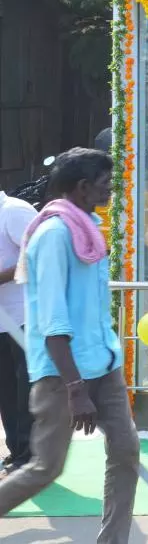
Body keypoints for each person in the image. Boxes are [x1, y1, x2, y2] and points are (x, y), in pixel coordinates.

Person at [0, 148, 139, 542]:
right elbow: (53, 319)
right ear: (82, 187)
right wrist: (77, 389)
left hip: (103, 363)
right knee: (46, 467)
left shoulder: (88, 225)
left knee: (126, 450)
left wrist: (107, 359)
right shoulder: (54, 234)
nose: (110, 190)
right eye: (105, 184)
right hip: (64, 375)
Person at [0, 188, 37, 474]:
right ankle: (17, 452)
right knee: (7, 391)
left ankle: (31, 457)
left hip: (25, 316)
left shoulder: (13, 211)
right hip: (3, 320)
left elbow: (37, 258)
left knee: (26, 390)